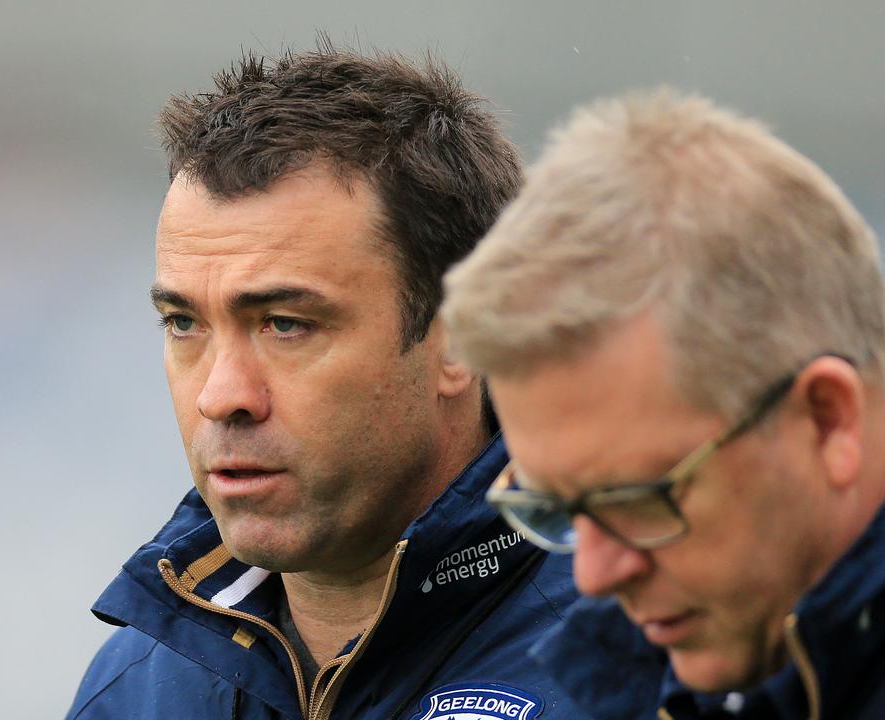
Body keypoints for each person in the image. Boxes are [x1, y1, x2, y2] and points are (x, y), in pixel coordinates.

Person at [441, 89, 885, 719]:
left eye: (637, 499)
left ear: (828, 419)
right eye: (554, 511)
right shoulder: (658, 683)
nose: (592, 575)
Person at [67, 46, 661, 720]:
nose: (219, 395)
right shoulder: (136, 687)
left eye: (285, 324)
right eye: (183, 322)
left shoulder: (659, 657)